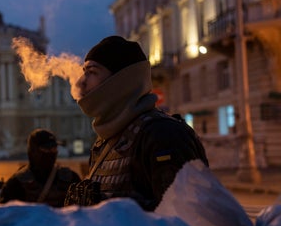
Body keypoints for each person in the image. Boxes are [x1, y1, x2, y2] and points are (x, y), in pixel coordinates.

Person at [65, 35, 208, 211]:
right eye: (84, 72)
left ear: (121, 81)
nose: (81, 83)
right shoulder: (106, 141)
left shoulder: (163, 135)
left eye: (92, 72)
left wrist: (114, 212)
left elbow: (187, 218)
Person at [0, 129, 81, 207]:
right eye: (46, 149)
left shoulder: (71, 178)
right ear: (33, 151)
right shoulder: (16, 184)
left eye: (54, 148)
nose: (51, 152)